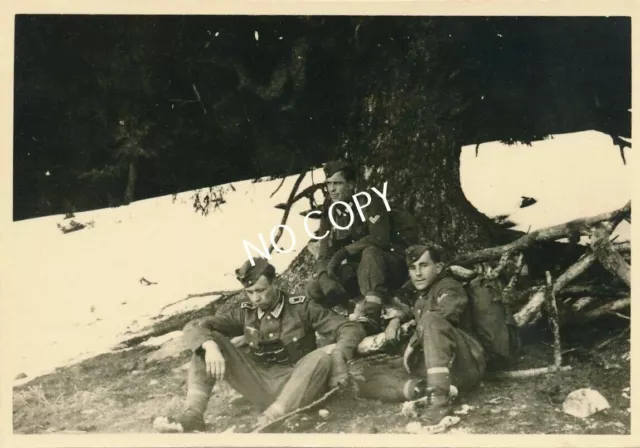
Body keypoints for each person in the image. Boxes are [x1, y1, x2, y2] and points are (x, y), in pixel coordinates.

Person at [155, 257, 366, 432]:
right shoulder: (245, 312)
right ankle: (192, 416)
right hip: (259, 383)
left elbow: (350, 328)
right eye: (250, 292)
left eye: (261, 290)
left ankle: (273, 418)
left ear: (276, 284)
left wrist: (339, 357)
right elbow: (196, 325)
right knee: (206, 342)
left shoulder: (301, 307)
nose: (255, 298)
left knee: (321, 357)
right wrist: (209, 346)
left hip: (297, 383)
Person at [305, 160, 410, 335]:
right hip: (358, 272)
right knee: (313, 288)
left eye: (337, 183)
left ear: (352, 184)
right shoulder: (330, 210)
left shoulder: (369, 201)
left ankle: (371, 317)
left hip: (389, 266)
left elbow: (380, 239)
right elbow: (324, 252)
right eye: (328, 184)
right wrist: (325, 277)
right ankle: (333, 327)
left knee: (370, 253)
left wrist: (343, 253)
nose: (332, 189)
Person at [395, 243, 486, 425]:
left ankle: (439, 402)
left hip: (465, 361)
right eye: (413, 268)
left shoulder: (449, 286)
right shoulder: (422, 297)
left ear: (438, 267)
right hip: (444, 368)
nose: (418, 273)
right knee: (365, 372)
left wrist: (413, 341)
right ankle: (421, 389)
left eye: (424, 265)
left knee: (431, 320)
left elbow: (446, 311)